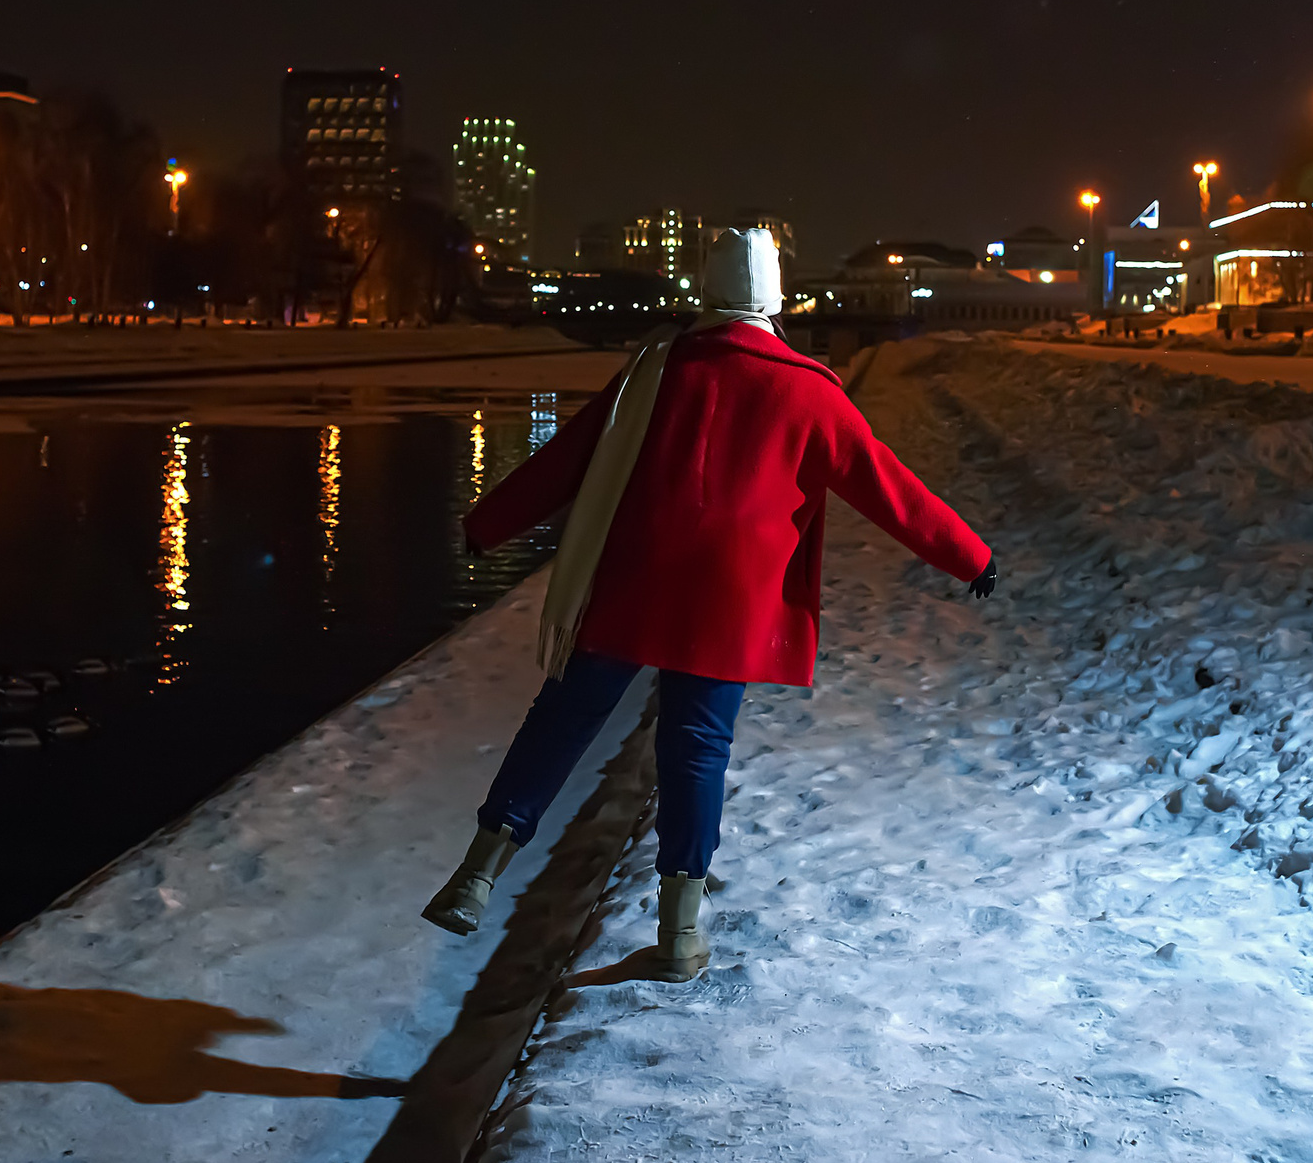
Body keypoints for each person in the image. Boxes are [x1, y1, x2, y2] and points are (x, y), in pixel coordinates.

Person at [422, 227, 995, 979]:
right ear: (775, 297)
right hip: (730, 601)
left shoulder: (655, 371)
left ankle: (477, 872)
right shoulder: (810, 390)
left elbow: (571, 457)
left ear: (707, 288)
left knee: (564, 715)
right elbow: (888, 487)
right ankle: (679, 933)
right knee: (696, 749)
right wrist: (970, 556)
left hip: (634, 580)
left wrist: (488, 523)